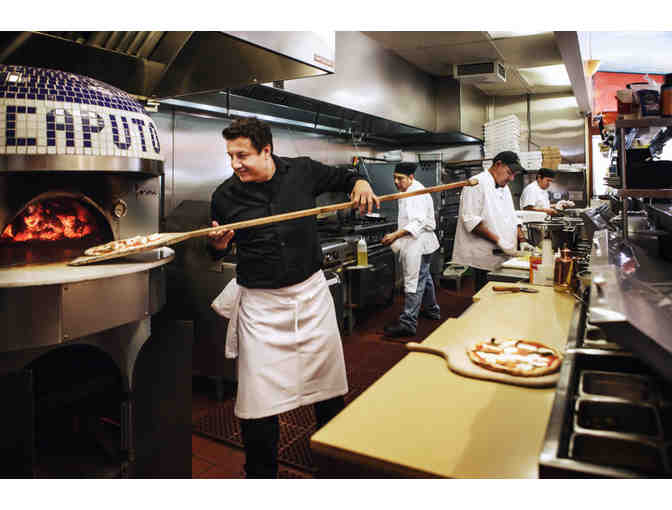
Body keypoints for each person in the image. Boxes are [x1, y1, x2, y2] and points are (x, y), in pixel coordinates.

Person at [207, 117, 379, 478]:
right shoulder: (224, 196)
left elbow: (346, 177)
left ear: (266, 151)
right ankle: (261, 475)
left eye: (242, 155)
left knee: (328, 389)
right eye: (230, 156)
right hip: (262, 309)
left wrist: (360, 181)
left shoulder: (302, 171)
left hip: (310, 298)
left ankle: (334, 466)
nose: (235, 164)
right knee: (258, 402)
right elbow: (217, 251)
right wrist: (219, 246)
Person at [451, 151, 534, 292]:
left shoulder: (504, 188)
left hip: (504, 256)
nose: (511, 178)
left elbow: (512, 216)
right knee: (485, 296)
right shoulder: (476, 183)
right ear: (498, 164)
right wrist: (500, 241)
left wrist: (522, 239)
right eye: (509, 173)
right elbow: (471, 221)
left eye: (514, 175)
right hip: (485, 256)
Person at [380, 162, 441, 338]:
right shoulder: (407, 190)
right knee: (424, 277)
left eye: (400, 179)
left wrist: (394, 236)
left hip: (419, 243)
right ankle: (432, 310)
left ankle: (408, 323)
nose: (396, 182)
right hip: (419, 242)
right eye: (394, 178)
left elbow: (417, 222)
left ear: (411, 177)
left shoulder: (417, 193)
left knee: (414, 281)